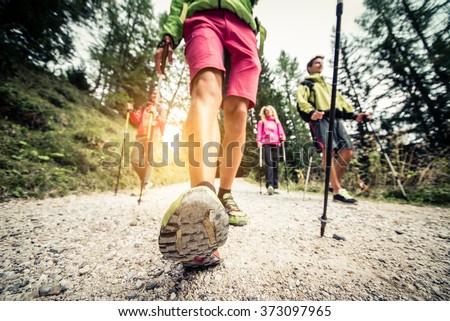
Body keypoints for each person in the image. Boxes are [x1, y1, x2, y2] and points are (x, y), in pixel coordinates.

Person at [154, 0, 263, 268]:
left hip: (244, 28)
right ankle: (203, 194)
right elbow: (179, 3)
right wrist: (169, 33)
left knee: (238, 110)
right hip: (203, 18)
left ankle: (224, 193)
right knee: (207, 91)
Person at [296, 55, 371, 204]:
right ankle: (337, 190)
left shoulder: (330, 87)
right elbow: (301, 101)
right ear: (309, 68)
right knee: (328, 151)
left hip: (336, 119)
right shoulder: (307, 84)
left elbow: (341, 103)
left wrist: (354, 115)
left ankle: (332, 184)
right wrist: (311, 112)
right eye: (317, 63)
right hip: (320, 119)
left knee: (347, 151)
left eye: (321, 63)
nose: (320, 65)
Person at [126, 90, 167, 196]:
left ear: (160, 98)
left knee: (149, 160)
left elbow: (163, 121)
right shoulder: (144, 107)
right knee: (134, 160)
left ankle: (145, 185)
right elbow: (136, 120)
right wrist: (130, 112)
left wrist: (156, 114)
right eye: (153, 93)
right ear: (150, 95)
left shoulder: (161, 109)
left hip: (154, 136)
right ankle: (146, 181)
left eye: (157, 93)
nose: (154, 95)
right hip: (141, 135)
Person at [256, 105, 286, 195]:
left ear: (273, 111)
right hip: (266, 144)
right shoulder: (262, 122)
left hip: (276, 143)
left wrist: (283, 136)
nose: (268, 112)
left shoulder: (277, 122)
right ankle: (270, 185)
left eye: (270, 110)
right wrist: (258, 141)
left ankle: (275, 186)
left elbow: (281, 132)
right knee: (269, 163)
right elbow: (259, 132)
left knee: (275, 164)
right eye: (266, 111)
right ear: (264, 113)